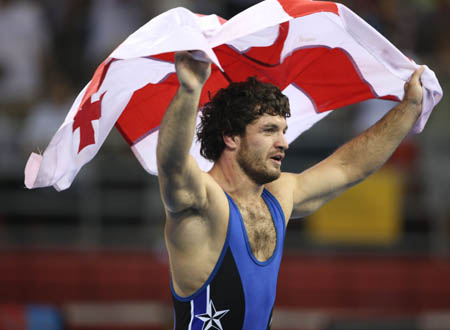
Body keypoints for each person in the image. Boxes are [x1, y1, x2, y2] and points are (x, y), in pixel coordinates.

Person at [156, 51, 425, 329]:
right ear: (231, 137)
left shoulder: (278, 196)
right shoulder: (202, 202)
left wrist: (409, 107)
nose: (283, 142)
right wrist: (190, 90)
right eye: (269, 130)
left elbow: (349, 167)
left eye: (283, 130)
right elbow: (172, 165)